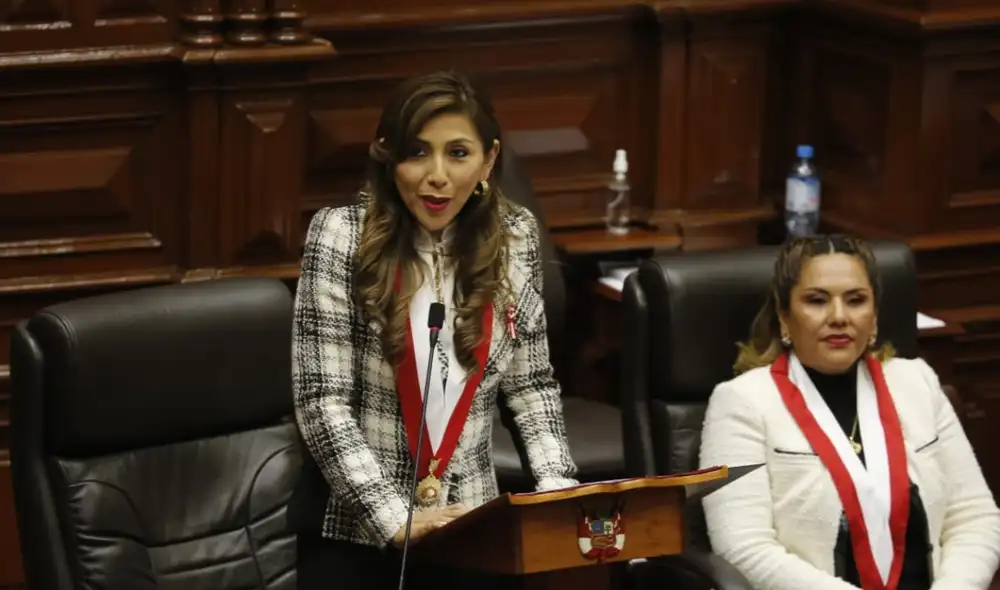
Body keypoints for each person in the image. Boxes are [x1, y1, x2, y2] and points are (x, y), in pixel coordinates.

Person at [288, 71, 578, 590]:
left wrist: (557, 485)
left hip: (470, 526)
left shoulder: (517, 236)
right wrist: (391, 516)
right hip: (357, 536)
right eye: (418, 153)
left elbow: (530, 385)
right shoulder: (340, 236)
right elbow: (320, 400)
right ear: (387, 155)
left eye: (458, 153)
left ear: (489, 159)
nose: (437, 176)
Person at [699, 235, 1000, 590]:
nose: (839, 317)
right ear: (784, 316)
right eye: (817, 301)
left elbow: (975, 518)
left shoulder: (917, 383)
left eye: (856, 301)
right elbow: (743, 549)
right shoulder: (741, 403)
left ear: (873, 319)